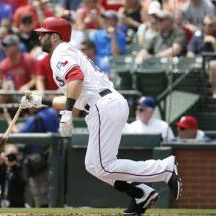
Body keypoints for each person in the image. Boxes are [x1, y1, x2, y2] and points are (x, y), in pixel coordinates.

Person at [20, 17, 182, 216]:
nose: (39, 36)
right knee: (94, 165)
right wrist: (42, 101)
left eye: (43, 33)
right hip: (105, 103)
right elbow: (75, 91)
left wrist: (68, 112)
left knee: (104, 165)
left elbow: (75, 78)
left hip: (103, 105)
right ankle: (139, 193)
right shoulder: (66, 52)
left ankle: (164, 169)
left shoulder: (60, 52)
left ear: (55, 37)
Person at [0, 35, 35, 104]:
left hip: (28, 93)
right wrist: (5, 86)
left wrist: (27, 86)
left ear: (17, 46)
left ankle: (31, 115)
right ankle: (1, 115)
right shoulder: (3, 65)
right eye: (4, 46)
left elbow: (36, 79)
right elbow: (4, 81)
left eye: (8, 45)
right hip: (12, 94)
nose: (5, 48)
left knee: (32, 95)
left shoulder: (28, 60)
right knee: (1, 94)